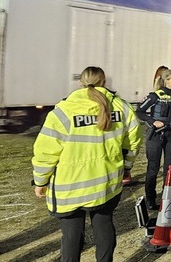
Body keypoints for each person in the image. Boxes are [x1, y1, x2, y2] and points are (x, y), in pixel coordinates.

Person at [32, 66, 142, 262]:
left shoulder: (63, 111)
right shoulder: (122, 107)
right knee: (104, 227)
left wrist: (40, 181)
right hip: (105, 184)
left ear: (80, 83)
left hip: (70, 188)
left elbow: (45, 151)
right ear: (104, 82)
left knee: (72, 237)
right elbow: (133, 142)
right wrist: (126, 167)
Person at [136, 68, 171, 211]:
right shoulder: (155, 96)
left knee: (169, 168)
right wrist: (152, 121)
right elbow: (139, 111)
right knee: (153, 169)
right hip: (156, 135)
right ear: (167, 80)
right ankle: (150, 199)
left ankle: (166, 199)